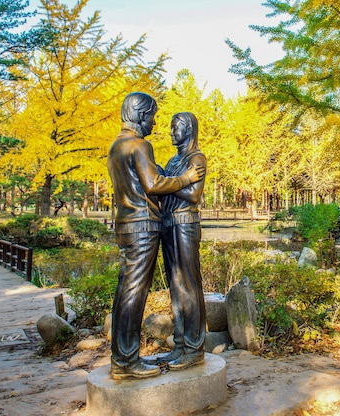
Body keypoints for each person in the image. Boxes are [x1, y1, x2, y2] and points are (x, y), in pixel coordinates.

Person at [107, 92, 205, 380]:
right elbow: (152, 183)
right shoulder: (139, 145)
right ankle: (126, 360)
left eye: (175, 125)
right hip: (142, 224)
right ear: (140, 114)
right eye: (152, 116)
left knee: (132, 289)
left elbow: (154, 183)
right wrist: (185, 179)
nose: (155, 123)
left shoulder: (117, 145)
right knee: (134, 292)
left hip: (135, 223)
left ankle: (128, 357)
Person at [155, 112, 207, 370]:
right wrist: (169, 182)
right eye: (170, 126)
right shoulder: (173, 160)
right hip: (168, 224)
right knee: (175, 286)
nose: (171, 131)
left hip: (185, 225)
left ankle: (194, 347)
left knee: (189, 285)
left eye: (176, 127)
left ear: (188, 129)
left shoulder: (196, 159)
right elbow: (174, 188)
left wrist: (165, 184)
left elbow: (193, 195)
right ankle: (180, 344)